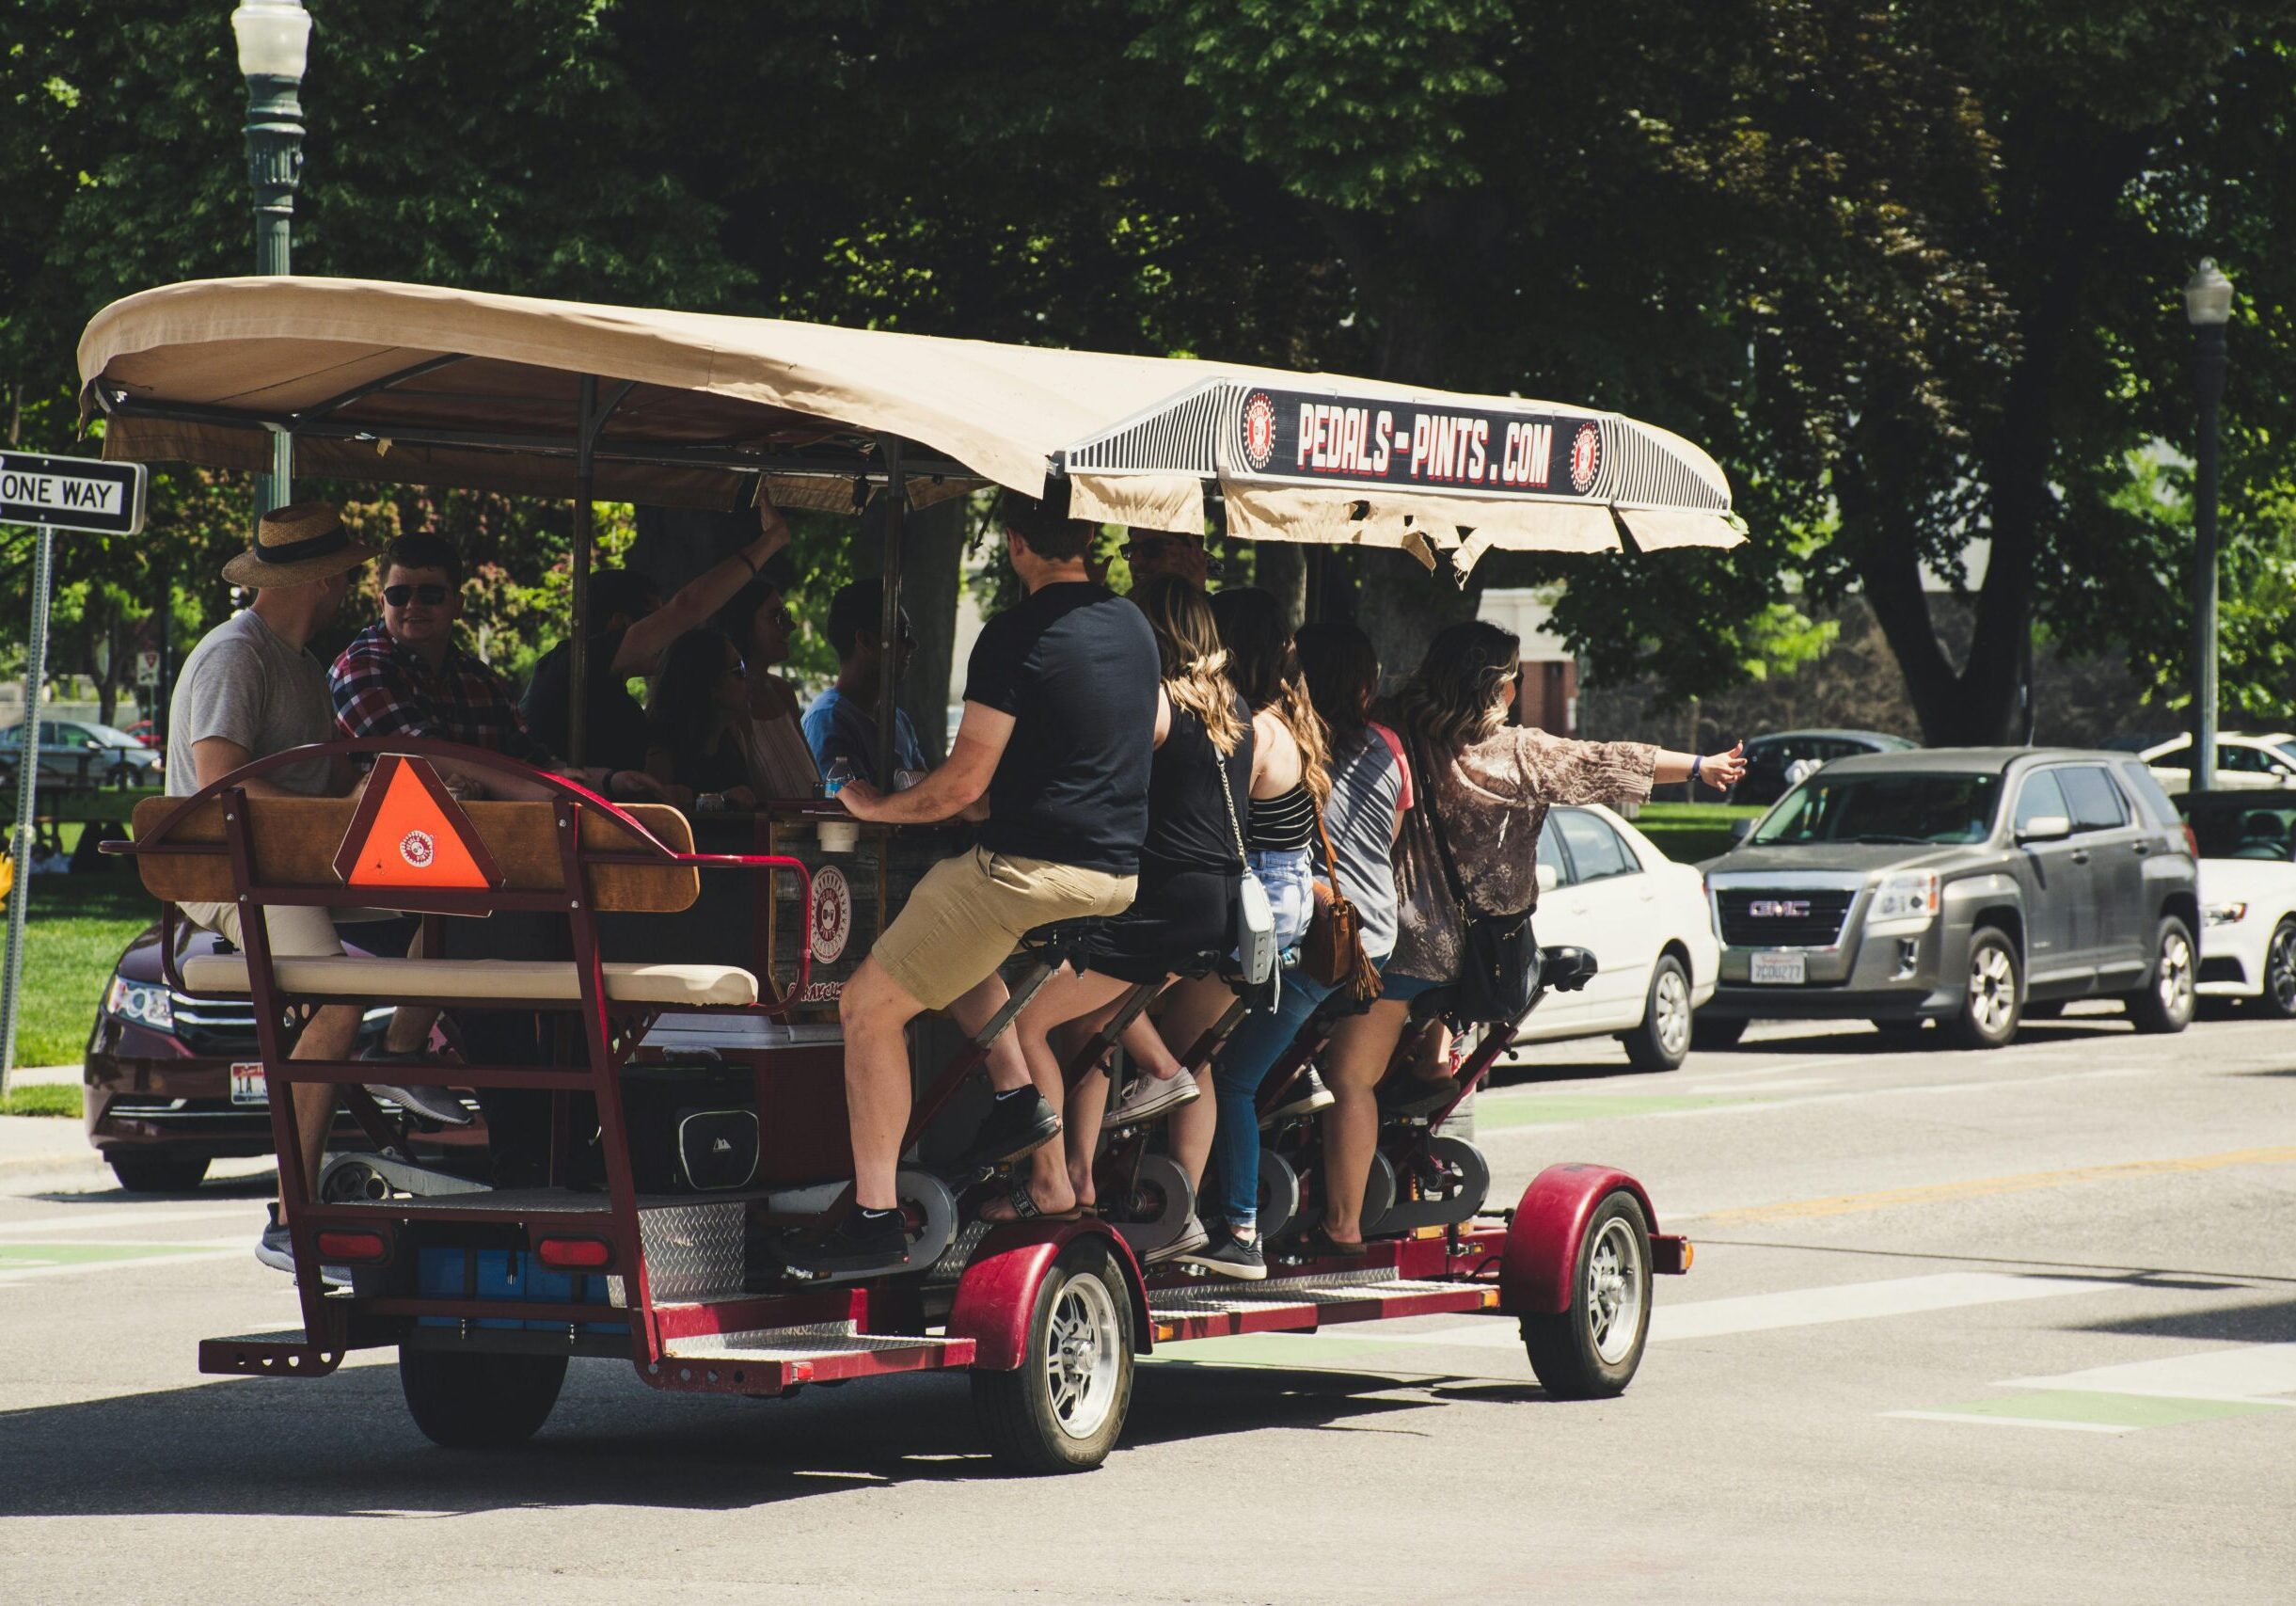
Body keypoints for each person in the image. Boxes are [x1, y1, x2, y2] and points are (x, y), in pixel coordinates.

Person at [784, 485, 1161, 1273]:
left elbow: (958, 787)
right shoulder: (1132, 625)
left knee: (866, 1008)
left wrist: (881, 807)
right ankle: (1017, 1098)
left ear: (1018, 544)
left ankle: (875, 1217)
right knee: (948, 923)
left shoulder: (1014, 633)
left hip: (1030, 872)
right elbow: (1139, 734)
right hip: (1118, 873)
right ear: (1090, 540)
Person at [1310, 621, 1746, 1256]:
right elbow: (1608, 762)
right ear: (1506, 691)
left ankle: (1343, 1226)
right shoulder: (1522, 752)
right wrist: (1701, 766)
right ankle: (1422, 1099)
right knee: (1422, 1055)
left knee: (1347, 1076)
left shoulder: (1397, 724)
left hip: (1405, 949)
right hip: (1485, 956)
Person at [986, 576, 1250, 1228]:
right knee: (1087, 1023)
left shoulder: (1157, 704)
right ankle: (1078, 1174)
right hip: (1211, 909)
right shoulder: (1236, 707)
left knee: (1021, 1022)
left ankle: (1046, 1180)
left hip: (1153, 908)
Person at [166, 502, 383, 1275]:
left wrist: (373, 791)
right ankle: (292, 1220)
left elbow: (323, 784)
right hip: (229, 870)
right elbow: (222, 788)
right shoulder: (237, 655)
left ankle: (404, 1052)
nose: (355, 584)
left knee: (457, 906)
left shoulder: (300, 663)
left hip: (286, 867)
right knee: (337, 998)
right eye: (351, 572)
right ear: (324, 579)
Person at [1180, 619, 1412, 1279]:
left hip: (1311, 937)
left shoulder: (1264, 735)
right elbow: (1389, 835)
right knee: (1246, 1047)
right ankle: (1298, 1077)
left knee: (1231, 1075)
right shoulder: (1354, 741)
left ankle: (1242, 1229)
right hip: (1364, 931)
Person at [1120, 588, 1331, 1148]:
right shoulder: (1291, 722)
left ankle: (1185, 1203)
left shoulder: (1251, 730)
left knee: (1187, 1055)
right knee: (1193, 1047)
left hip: (1255, 901)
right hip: (1284, 897)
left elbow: (1214, 815)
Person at [522, 492, 791, 771]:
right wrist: (771, 540)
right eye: (653, 620)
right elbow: (688, 607)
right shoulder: (570, 665)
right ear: (620, 624)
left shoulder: (621, 705)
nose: (667, 634)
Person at [803, 578, 926, 781]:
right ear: (866, 641)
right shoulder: (829, 720)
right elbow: (857, 806)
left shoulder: (898, 720)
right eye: (902, 632)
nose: (913, 644)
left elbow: (928, 790)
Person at [717, 569, 817, 797]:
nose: (790, 626)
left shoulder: (782, 692)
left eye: (786, 614)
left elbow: (812, 780)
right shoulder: (726, 700)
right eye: (776, 617)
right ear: (742, 623)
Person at [643, 628, 757, 809]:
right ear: (710, 683)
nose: (748, 678)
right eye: (739, 670)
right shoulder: (661, 747)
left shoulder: (731, 739)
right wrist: (721, 799)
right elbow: (659, 815)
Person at [1121, 527, 1211, 590]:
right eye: (1130, 549)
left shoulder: (1218, 612)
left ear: (1195, 556)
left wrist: (1194, 594)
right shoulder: (1121, 614)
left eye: (1151, 548)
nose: (1135, 561)